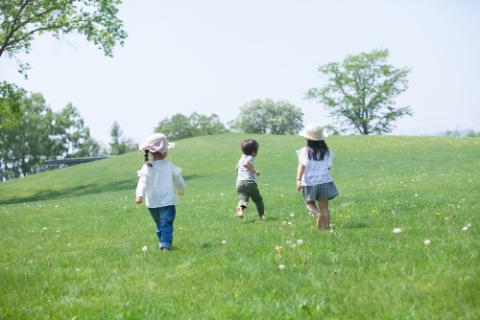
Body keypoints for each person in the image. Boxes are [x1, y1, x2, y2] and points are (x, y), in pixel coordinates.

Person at [135, 133, 185, 250]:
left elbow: (142, 182)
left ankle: (163, 243)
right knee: (166, 223)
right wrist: (181, 189)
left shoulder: (147, 166)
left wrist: (139, 195)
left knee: (160, 224)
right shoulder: (168, 165)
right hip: (167, 201)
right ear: (163, 151)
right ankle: (165, 244)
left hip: (152, 203)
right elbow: (178, 179)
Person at [296, 123, 338, 229]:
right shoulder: (327, 152)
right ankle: (326, 227)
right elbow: (328, 167)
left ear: (307, 139)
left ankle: (317, 214)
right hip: (325, 181)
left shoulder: (305, 151)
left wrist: (298, 180)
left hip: (309, 182)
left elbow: (301, 166)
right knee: (324, 207)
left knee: (309, 203)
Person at [235, 139, 264, 221]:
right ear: (253, 152)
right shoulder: (250, 157)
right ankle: (261, 217)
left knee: (243, 200)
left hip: (239, 183)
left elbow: (236, 168)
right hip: (249, 182)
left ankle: (240, 208)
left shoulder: (242, 157)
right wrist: (255, 171)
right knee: (258, 200)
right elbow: (246, 164)